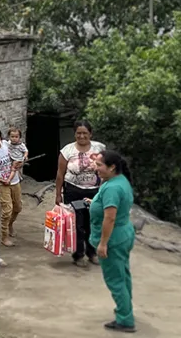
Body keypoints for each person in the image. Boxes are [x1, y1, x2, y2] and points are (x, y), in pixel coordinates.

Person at [88, 150, 136, 333]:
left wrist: (102, 244)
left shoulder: (112, 188)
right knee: (123, 275)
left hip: (113, 239)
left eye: (99, 165)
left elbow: (109, 218)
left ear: (112, 167)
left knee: (115, 280)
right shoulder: (120, 181)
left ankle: (125, 320)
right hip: (124, 234)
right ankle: (126, 310)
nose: (96, 168)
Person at [55, 120, 106, 267]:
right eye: (79, 133)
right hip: (73, 191)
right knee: (77, 224)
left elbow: (106, 169)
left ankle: (92, 253)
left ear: (90, 133)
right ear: (75, 134)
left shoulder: (99, 148)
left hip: (94, 192)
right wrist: (58, 194)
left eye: (85, 133)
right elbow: (60, 173)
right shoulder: (67, 151)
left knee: (93, 223)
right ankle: (78, 255)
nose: (82, 136)